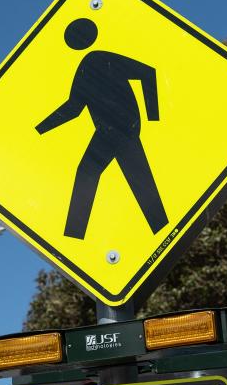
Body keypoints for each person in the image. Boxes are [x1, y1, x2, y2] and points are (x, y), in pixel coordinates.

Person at [36, 18, 168, 240]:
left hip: (123, 128)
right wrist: (39, 129)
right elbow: (74, 107)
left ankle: (74, 236)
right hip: (110, 131)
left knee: (100, 173)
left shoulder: (99, 59)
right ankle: (160, 229)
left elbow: (147, 73)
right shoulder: (87, 65)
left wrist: (153, 116)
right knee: (124, 175)